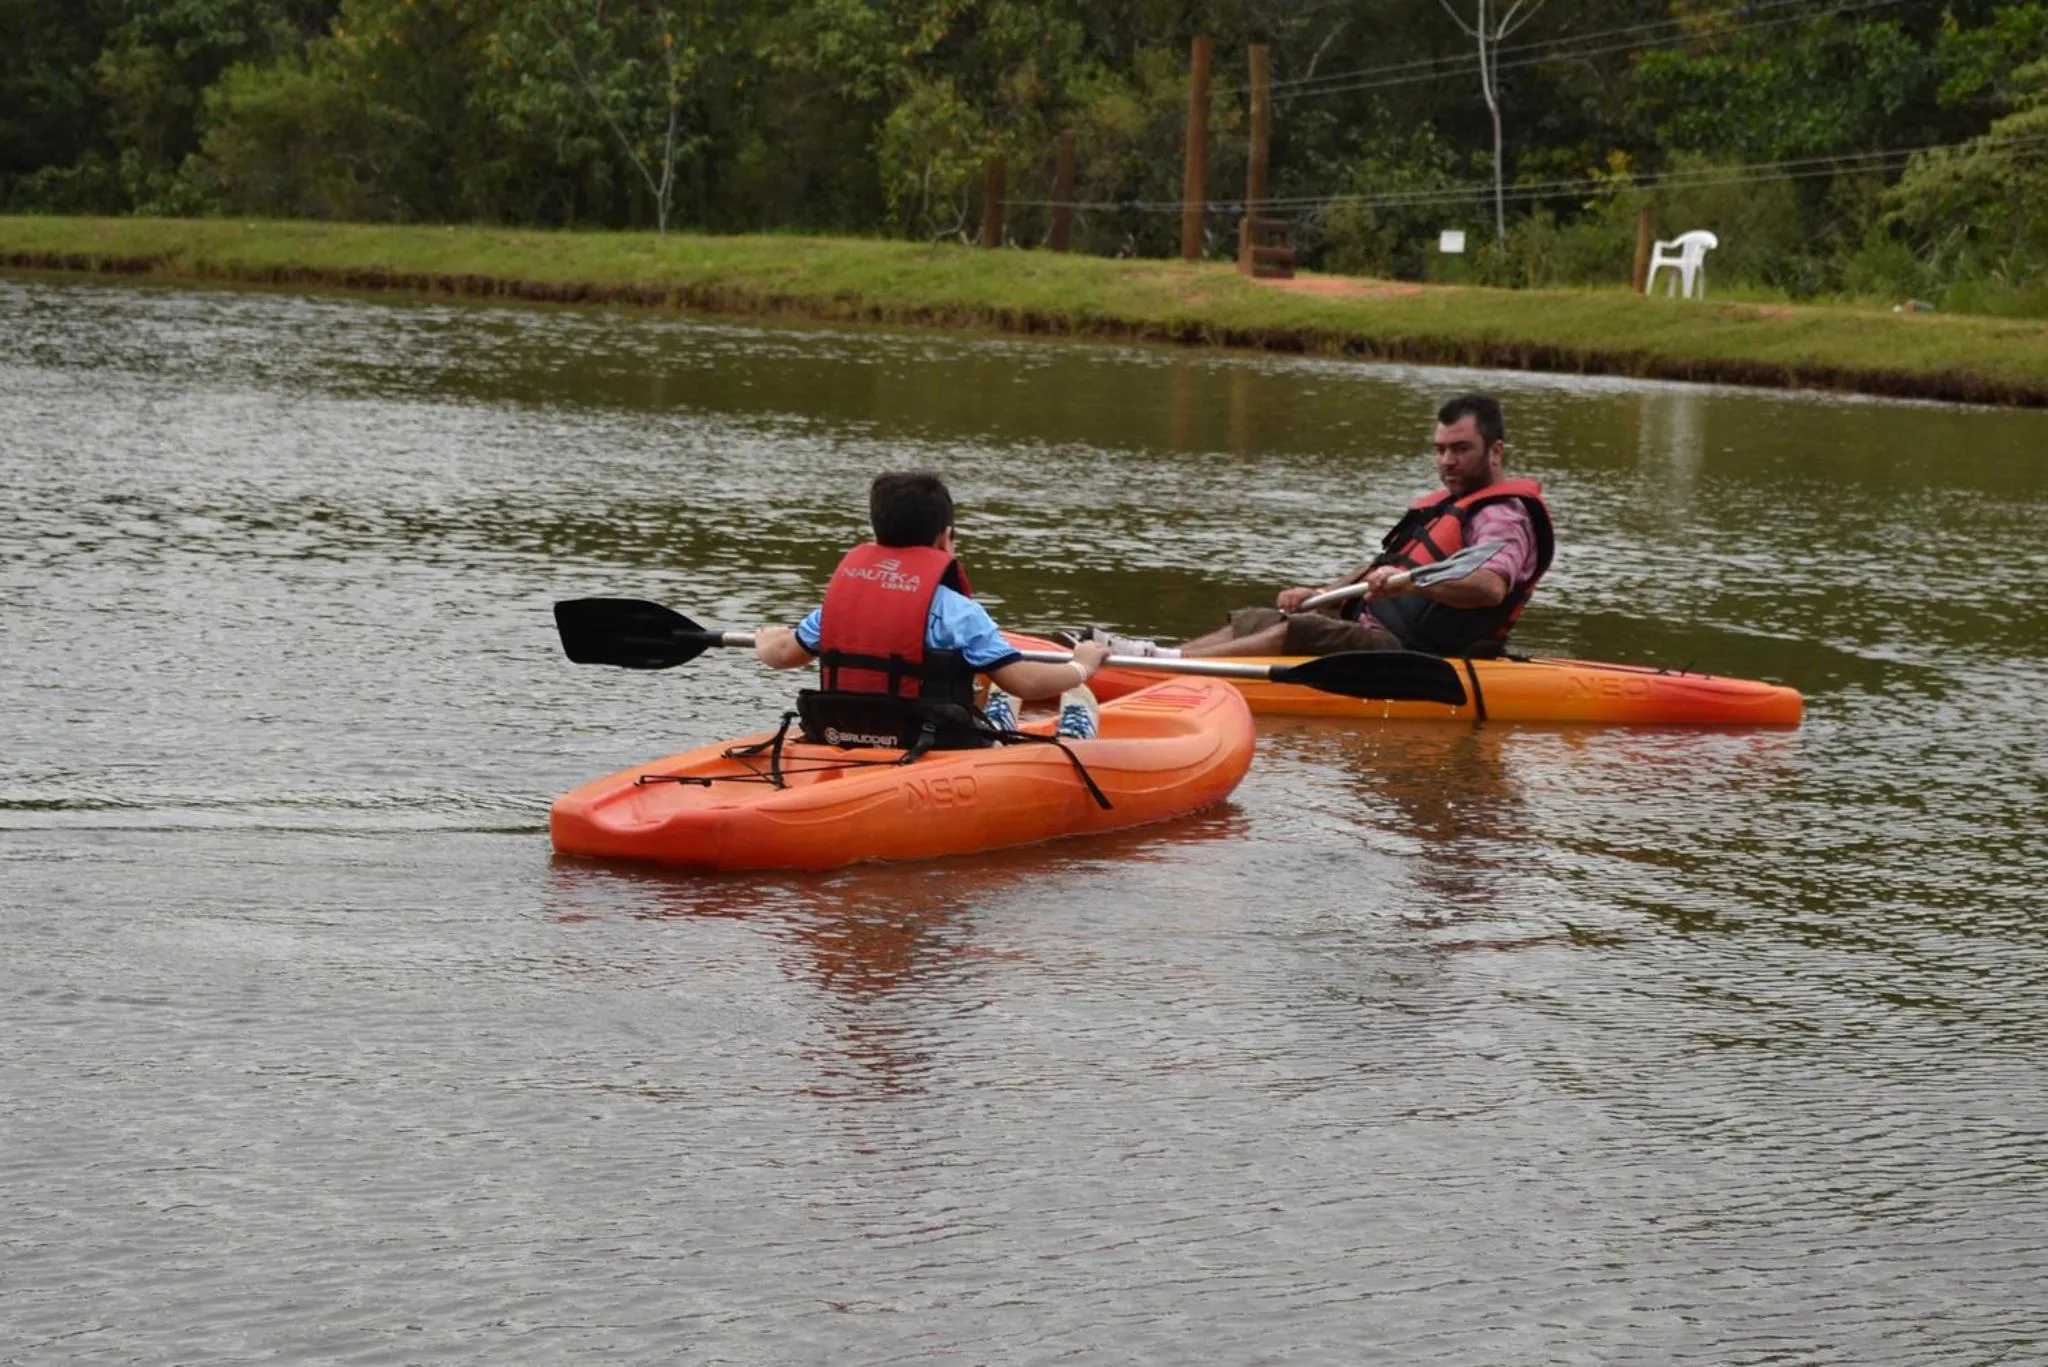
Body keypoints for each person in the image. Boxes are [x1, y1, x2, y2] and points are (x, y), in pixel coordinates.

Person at [1088, 393, 1555, 660]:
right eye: (1439, 449)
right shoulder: (1447, 504)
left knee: (1302, 632)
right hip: (1378, 633)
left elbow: (1490, 587)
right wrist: (1319, 591)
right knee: (1263, 619)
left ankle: (1168, 670)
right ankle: (1163, 657)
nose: (1447, 461)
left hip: (1419, 655)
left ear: (1495, 452)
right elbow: (1387, 565)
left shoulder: (1503, 514)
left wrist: (1412, 585)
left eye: (1461, 449)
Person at [757, 471, 1112, 741]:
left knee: (987, 703)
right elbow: (1026, 682)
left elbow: (782, 655)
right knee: (1008, 713)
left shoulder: (839, 606)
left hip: (846, 733)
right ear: (946, 538)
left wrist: (765, 639)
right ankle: (1063, 727)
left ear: (877, 533)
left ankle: (1001, 712)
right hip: (933, 740)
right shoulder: (959, 613)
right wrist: (1081, 667)